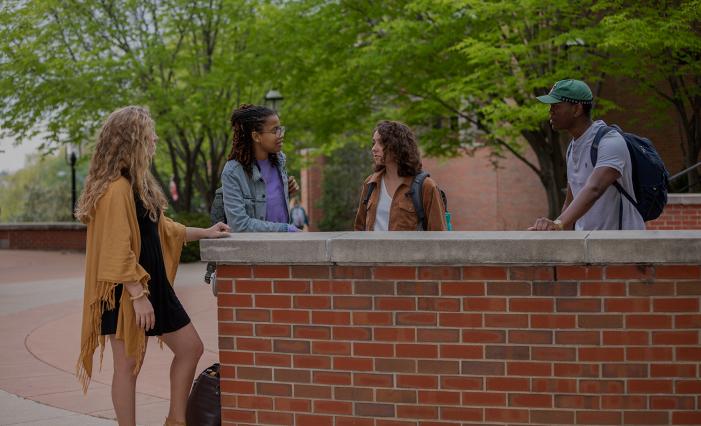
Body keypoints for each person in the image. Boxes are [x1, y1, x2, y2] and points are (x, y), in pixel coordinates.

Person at [74, 106, 230, 426]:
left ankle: (175, 419)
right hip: (126, 291)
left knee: (190, 348)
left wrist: (207, 232)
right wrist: (136, 294)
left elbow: (163, 230)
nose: (155, 138)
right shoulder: (115, 188)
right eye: (149, 134)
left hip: (153, 286)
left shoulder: (137, 184)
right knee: (128, 367)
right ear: (132, 140)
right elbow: (116, 247)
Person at [529, 79, 644, 231]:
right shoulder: (572, 147)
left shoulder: (610, 141)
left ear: (577, 109)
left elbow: (595, 188)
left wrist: (558, 224)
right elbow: (570, 201)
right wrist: (555, 231)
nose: (550, 110)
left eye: (556, 105)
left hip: (622, 245)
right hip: (588, 245)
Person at [354, 120, 447, 231]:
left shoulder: (426, 186)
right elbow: (359, 229)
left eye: (381, 143)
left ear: (398, 146)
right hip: (371, 249)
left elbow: (438, 235)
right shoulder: (370, 183)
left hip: (411, 249)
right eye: (374, 143)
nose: (374, 148)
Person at [221, 104, 300, 232]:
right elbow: (239, 224)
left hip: (284, 245)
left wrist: (287, 192)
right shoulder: (233, 172)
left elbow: (269, 204)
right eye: (275, 131)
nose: (281, 135)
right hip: (255, 249)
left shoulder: (279, 160)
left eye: (281, 129)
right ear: (256, 136)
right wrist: (285, 229)